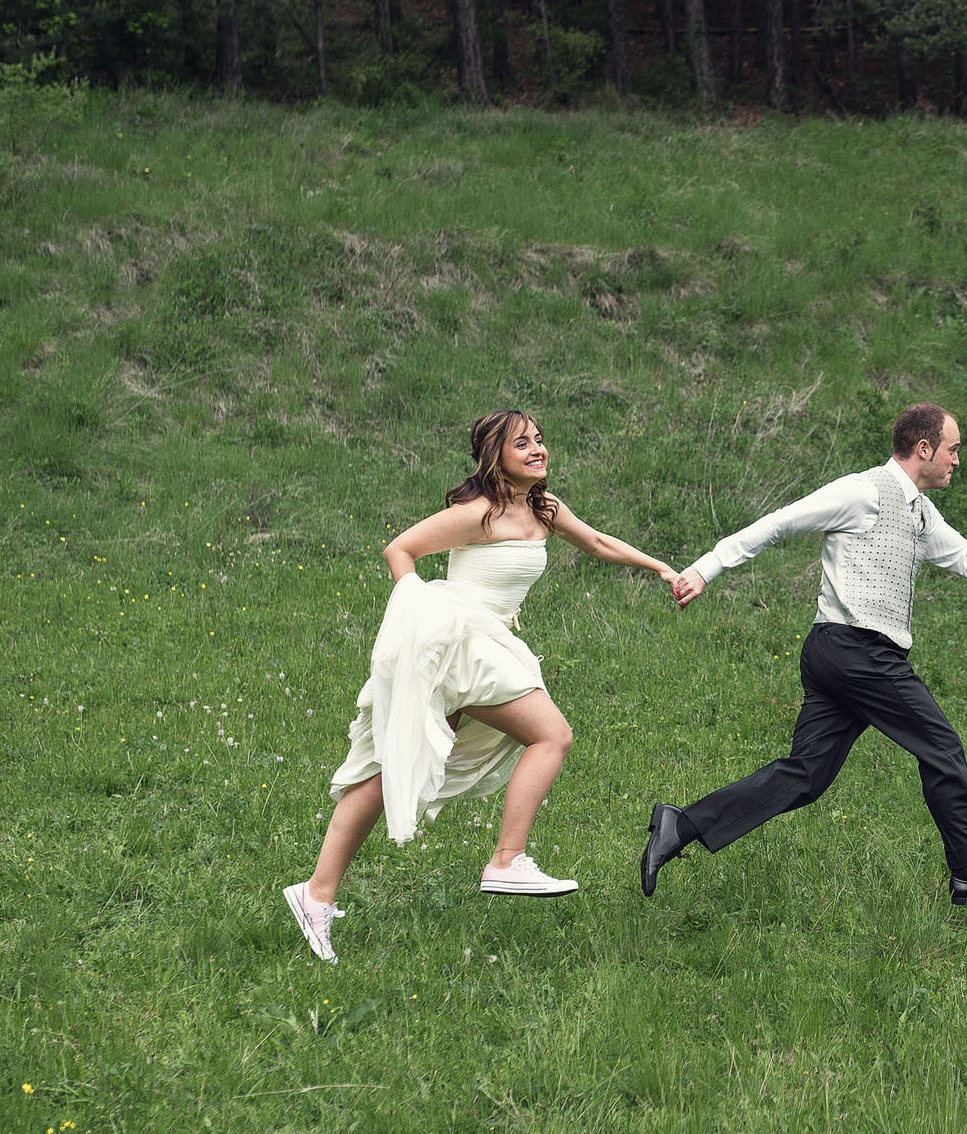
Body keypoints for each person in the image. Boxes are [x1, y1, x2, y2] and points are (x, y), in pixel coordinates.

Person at [285, 409, 679, 963]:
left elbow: (596, 542)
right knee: (552, 735)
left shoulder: (543, 508)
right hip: (461, 641)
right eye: (523, 444)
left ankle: (315, 894)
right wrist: (421, 619)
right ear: (496, 456)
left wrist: (661, 568)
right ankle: (506, 860)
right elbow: (400, 550)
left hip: (489, 641)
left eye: (540, 440)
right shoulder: (477, 514)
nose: (538, 449)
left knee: (388, 769)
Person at [639, 402, 967, 907]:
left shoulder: (920, 510)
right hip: (858, 650)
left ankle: (680, 825)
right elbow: (779, 522)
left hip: (840, 655)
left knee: (806, 776)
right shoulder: (863, 492)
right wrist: (706, 568)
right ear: (924, 449)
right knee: (942, 750)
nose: (957, 461)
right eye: (953, 449)